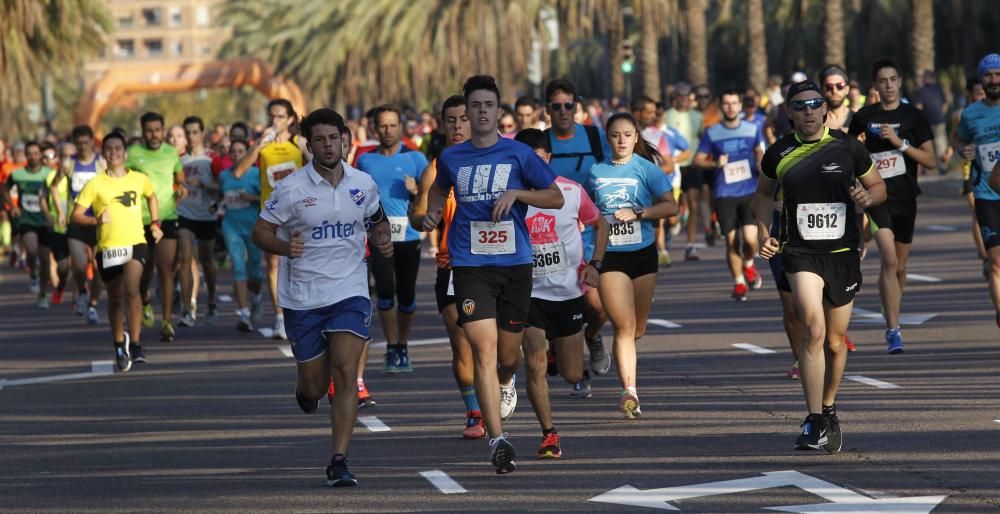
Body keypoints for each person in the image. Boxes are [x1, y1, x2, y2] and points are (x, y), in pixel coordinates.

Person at [421, 75, 563, 474]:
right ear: (466, 112)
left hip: (515, 264)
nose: (482, 111)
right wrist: (433, 211)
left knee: (506, 357)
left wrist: (518, 194)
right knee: (481, 350)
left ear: (498, 112)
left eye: (489, 105)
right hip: (471, 266)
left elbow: (554, 196)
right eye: (475, 105)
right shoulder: (451, 158)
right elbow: (438, 189)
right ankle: (498, 440)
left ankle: (505, 382)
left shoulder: (519, 154)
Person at [253, 107, 393, 487]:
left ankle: (339, 459)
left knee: (346, 371)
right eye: (320, 140)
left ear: (344, 139)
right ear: (309, 144)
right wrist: (285, 247)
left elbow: (377, 219)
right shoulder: (291, 188)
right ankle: (305, 388)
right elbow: (260, 232)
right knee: (315, 387)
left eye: (334, 138)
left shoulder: (363, 183)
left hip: (349, 290)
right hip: (304, 297)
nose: (329, 146)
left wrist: (382, 237)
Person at [755, 80, 886, 453]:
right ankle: (814, 419)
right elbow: (763, 195)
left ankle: (829, 408)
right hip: (799, 253)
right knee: (813, 330)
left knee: (835, 340)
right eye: (801, 105)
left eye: (815, 104)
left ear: (824, 109)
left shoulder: (848, 147)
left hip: (842, 253)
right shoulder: (778, 152)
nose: (809, 110)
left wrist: (868, 195)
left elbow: (878, 187)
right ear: (790, 112)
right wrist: (765, 232)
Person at [514, 128, 609, 457]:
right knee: (535, 364)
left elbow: (601, 224)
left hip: (568, 293)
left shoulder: (570, 191)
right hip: (529, 294)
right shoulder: (512, 197)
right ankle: (549, 433)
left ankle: (560, 350)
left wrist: (595, 264)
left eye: (538, 160)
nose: (533, 168)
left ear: (548, 159)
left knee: (570, 374)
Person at [589, 112, 677, 419]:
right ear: (608, 139)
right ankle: (630, 391)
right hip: (611, 256)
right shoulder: (595, 171)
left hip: (643, 254)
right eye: (615, 135)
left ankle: (621, 357)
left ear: (636, 137)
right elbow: (583, 211)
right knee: (623, 326)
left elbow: (671, 205)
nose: (622, 140)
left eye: (627, 135)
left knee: (637, 328)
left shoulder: (647, 169)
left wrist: (640, 212)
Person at [848, 58, 937, 354]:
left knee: (899, 266)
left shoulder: (913, 116)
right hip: (877, 198)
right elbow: (849, 155)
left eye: (893, 79)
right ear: (875, 85)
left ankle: (893, 316)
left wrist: (899, 143)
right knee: (887, 260)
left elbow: (931, 161)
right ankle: (893, 330)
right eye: (882, 81)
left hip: (906, 197)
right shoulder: (864, 116)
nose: (888, 85)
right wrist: (858, 148)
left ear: (900, 82)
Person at [409, 94, 485, 438]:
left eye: (463, 119)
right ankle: (474, 411)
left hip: (494, 264)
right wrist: (422, 221)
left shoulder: (497, 159)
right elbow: (417, 214)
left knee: (500, 348)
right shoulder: (436, 167)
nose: (457, 126)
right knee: (463, 344)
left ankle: (502, 383)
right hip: (452, 266)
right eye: (451, 120)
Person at [72, 132, 162, 372]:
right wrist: (96, 220)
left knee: (132, 289)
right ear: (104, 153)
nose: (113, 153)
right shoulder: (96, 183)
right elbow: (76, 215)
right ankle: (119, 344)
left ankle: (136, 343)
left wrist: (155, 223)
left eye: (118, 148)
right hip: (109, 247)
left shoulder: (138, 179)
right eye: (109, 149)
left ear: (125, 152)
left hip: (135, 242)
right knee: (115, 298)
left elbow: (152, 196)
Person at [542, 78, 613, 383]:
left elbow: (612, 172)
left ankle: (593, 337)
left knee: (597, 307)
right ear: (547, 110)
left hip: (588, 229)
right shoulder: (539, 143)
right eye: (556, 106)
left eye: (568, 105)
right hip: (548, 236)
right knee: (550, 304)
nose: (563, 111)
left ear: (576, 107)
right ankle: (562, 354)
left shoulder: (595, 138)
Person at [356, 104, 429, 373]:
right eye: (383, 125)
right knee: (385, 290)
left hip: (408, 234)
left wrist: (417, 190)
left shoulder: (416, 159)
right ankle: (390, 346)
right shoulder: (365, 160)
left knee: (407, 294)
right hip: (378, 235)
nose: (388, 130)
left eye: (392, 125)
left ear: (401, 127)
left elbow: (429, 197)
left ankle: (403, 344)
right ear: (375, 128)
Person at [234, 99, 309, 341]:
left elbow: (317, 163)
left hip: (299, 213)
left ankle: (304, 312)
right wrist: (257, 145)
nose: (274, 121)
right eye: (271, 117)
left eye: (279, 117)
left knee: (301, 263)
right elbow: (238, 172)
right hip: (272, 213)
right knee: (274, 265)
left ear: (289, 119)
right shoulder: (262, 145)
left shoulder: (298, 143)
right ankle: (280, 318)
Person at [694, 89, 766, 301]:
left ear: (740, 106)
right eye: (726, 103)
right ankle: (739, 282)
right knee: (732, 242)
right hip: (724, 193)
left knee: (751, 241)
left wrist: (761, 163)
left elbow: (759, 151)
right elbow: (698, 160)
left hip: (749, 190)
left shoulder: (752, 129)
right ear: (720, 106)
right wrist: (715, 163)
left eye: (735, 103)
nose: (731, 107)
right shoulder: (712, 132)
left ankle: (749, 264)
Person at [127, 112, 185, 342]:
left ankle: (167, 321)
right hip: (139, 220)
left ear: (163, 130)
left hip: (167, 218)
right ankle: (144, 299)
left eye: (157, 130)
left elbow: (179, 177)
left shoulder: (171, 153)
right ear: (142, 131)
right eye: (149, 130)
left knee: (166, 268)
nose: (154, 134)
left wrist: (179, 189)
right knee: (145, 269)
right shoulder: (133, 154)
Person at [957, 54, 1000, 328]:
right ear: (981, 79)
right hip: (986, 195)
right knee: (995, 262)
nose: (993, 80)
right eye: (988, 75)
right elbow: (961, 140)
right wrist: (965, 150)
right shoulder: (970, 114)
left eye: (998, 74)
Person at [177, 116, 220, 326]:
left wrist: (203, 184)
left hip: (207, 214)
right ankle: (187, 310)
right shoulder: (179, 160)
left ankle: (211, 300)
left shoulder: (212, 159)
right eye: (188, 133)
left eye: (195, 132)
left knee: (206, 260)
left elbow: (222, 187)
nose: (191, 136)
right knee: (184, 260)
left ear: (202, 133)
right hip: (185, 213)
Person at [1, 141, 54, 306]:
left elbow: (58, 193)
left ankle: (43, 294)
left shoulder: (49, 173)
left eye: (36, 153)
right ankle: (33, 274)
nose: (33, 156)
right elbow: (4, 188)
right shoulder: (18, 174)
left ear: (40, 155)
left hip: (45, 221)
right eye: (29, 153)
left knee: (45, 260)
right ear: (26, 155)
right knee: (31, 250)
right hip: (27, 219)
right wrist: (12, 207)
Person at [219, 140, 262, 331]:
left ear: (248, 153)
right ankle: (244, 314)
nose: (237, 155)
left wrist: (252, 198)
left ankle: (256, 300)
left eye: (241, 151)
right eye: (233, 152)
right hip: (231, 225)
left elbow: (268, 197)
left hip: (253, 224)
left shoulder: (256, 173)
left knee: (255, 271)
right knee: (238, 268)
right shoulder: (224, 176)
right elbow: (220, 195)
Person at [65, 126, 107, 324]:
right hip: (77, 222)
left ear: (92, 141)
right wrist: (58, 210)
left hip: (99, 222)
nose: (82, 147)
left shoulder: (101, 163)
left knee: (99, 268)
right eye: (78, 143)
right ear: (74, 143)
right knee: (80, 266)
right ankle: (82, 291)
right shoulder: (68, 164)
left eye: (86, 142)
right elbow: (56, 188)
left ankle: (93, 304)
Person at [665, 83, 707, 261]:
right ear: (674, 98)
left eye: (687, 96)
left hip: (691, 165)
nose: (684, 99)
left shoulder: (697, 116)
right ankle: (668, 230)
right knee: (669, 207)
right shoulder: (667, 116)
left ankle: (690, 245)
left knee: (694, 204)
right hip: (672, 166)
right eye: (680, 96)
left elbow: (700, 137)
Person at [951, 75, 988, 261]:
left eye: (984, 93)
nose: (982, 96)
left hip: (993, 169)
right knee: (977, 210)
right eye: (978, 93)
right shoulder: (963, 114)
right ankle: (984, 254)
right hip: (972, 170)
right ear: (970, 94)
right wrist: (954, 151)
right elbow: (955, 138)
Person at [39, 145, 70, 306]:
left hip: (80, 224)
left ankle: (81, 295)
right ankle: (60, 285)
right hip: (58, 226)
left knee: (82, 263)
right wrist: (49, 217)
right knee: (63, 266)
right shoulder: (51, 177)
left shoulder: (84, 176)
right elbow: (43, 198)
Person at [913, 69, 950, 175]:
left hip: (926, 122)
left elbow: (918, 107)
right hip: (939, 120)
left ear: (924, 79)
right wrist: (941, 115)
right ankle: (943, 167)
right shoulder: (939, 89)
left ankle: (925, 168)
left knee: (925, 145)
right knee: (941, 145)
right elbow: (944, 105)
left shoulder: (920, 91)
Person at [819, 65, 854, 133]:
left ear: (847, 89)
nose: (834, 91)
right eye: (829, 87)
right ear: (822, 90)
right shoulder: (813, 120)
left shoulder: (858, 120)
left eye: (840, 86)